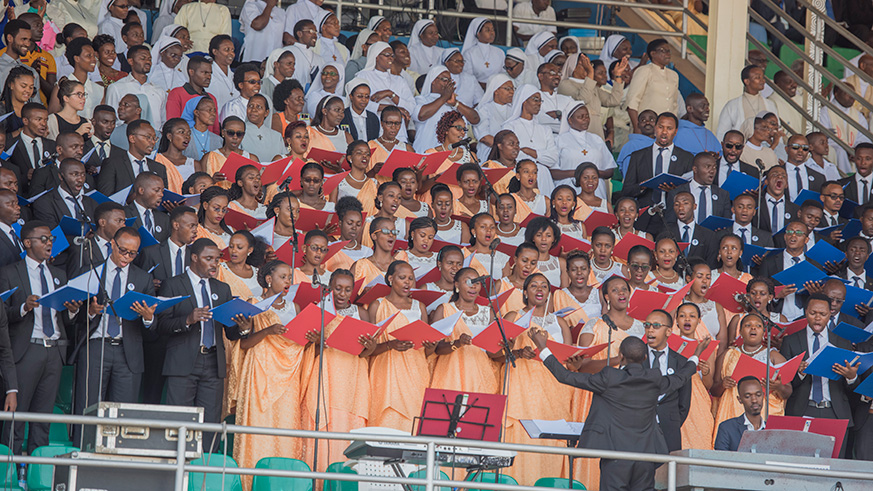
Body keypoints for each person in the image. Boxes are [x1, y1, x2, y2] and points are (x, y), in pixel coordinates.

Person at [533, 314, 708, 491]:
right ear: (645, 358)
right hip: (646, 458)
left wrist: (542, 347)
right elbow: (681, 377)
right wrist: (696, 355)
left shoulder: (609, 377)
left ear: (620, 355)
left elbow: (565, 376)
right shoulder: (654, 379)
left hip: (616, 457)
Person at [0, 220, 82, 454]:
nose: (49, 243)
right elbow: (2, 315)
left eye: (51, 239)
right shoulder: (9, 272)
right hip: (27, 350)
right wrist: (24, 308)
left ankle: (35, 475)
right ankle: (9, 476)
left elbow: (65, 319)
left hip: (54, 350)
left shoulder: (59, 274)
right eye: (43, 239)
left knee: (43, 418)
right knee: (16, 415)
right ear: (27, 243)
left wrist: (73, 309)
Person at [157, 238, 246, 452]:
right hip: (183, 362)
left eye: (217, 259)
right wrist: (188, 319)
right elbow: (161, 325)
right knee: (179, 419)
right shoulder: (173, 283)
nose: (214, 264)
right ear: (194, 258)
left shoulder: (222, 288)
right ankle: (175, 468)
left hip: (213, 362)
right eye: (209, 259)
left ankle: (206, 471)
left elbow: (231, 332)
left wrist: (243, 326)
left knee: (210, 421)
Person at [71, 227, 155, 442]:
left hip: (128, 352)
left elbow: (153, 325)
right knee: (87, 406)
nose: (126, 257)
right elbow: (71, 317)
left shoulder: (143, 278)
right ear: (112, 245)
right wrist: (89, 312)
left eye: (132, 253)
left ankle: (117, 461)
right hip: (96, 347)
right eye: (123, 251)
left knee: (123, 413)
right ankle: (82, 452)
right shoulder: (91, 271)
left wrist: (148, 317)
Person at [300, 268, 375, 472]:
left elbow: (366, 353)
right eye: (338, 289)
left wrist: (370, 346)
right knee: (323, 426)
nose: (342, 294)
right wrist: (316, 343)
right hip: (325, 375)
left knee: (348, 427)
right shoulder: (317, 309)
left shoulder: (361, 312)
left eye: (347, 289)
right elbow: (304, 349)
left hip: (352, 379)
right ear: (329, 288)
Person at [501, 273, 572, 485]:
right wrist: (518, 352)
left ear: (549, 292)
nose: (539, 289)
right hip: (522, 387)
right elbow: (493, 353)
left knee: (551, 442)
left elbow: (568, 359)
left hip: (555, 388)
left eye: (544, 286)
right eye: (533, 285)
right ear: (525, 292)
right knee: (523, 437)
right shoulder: (513, 316)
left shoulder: (560, 322)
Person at [780, 293, 859, 456]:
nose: (817, 318)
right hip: (802, 409)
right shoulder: (791, 341)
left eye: (822, 314)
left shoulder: (842, 343)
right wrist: (800, 373)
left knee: (833, 464)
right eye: (813, 313)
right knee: (799, 462)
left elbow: (852, 391)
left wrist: (851, 377)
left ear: (830, 314)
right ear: (805, 311)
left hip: (834, 412)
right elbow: (784, 384)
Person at [366, 260, 430, 430]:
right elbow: (368, 350)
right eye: (402, 277)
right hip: (386, 372)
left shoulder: (420, 307)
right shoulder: (377, 306)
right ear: (390, 279)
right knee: (387, 421)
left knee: (413, 421)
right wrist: (390, 345)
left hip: (416, 372)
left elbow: (428, 350)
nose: (407, 282)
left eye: (411, 278)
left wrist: (430, 343)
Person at [621, 112, 694, 234]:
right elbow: (626, 190)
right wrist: (642, 186)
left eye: (669, 128)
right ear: (655, 128)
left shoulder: (686, 157)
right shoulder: (638, 156)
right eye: (661, 127)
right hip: (645, 217)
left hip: (673, 217)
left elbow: (690, 192)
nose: (664, 132)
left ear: (675, 132)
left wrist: (674, 190)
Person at [429, 266, 497, 392]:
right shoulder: (444, 309)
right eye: (468, 282)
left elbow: (492, 351)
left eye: (477, 282)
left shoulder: (489, 313)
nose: (473, 286)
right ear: (457, 285)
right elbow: (436, 348)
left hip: (480, 376)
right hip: (451, 374)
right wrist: (458, 343)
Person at [557, 53, 627, 141]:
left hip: (596, 131)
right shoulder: (565, 84)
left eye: (589, 64)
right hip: (578, 135)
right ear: (573, 67)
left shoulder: (592, 86)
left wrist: (618, 75)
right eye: (583, 64)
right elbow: (582, 100)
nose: (588, 67)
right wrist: (590, 73)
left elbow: (613, 100)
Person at [413, 66, 479, 154]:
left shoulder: (455, 103)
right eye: (444, 80)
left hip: (455, 155)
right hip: (428, 152)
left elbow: (475, 119)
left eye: (450, 81)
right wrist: (444, 97)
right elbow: (421, 115)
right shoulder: (421, 100)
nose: (448, 83)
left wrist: (455, 103)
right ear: (433, 81)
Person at [554, 103, 615, 197]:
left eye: (587, 116)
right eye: (580, 117)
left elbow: (609, 170)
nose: (585, 119)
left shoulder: (596, 139)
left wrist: (591, 175)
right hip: (568, 191)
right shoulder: (559, 140)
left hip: (596, 191)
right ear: (570, 120)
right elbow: (553, 172)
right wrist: (579, 173)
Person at [505, 85, 557, 193]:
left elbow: (553, 158)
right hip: (519, 176)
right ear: (524, 101)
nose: (539, 103)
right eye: (535, 99)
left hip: (543, 176)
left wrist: (532, 152)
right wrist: (541, 156)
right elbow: (511, 155)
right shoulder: (510, 127)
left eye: (540, 100)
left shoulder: (545, 129)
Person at [96, 119, 168, 196]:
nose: (153, 142)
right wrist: (128, 201)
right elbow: (105, 197)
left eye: (154, 138)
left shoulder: (159, 168)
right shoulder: (113, 164)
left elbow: (163, 196)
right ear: (132, 138)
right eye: (148, 137)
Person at [105, 45, 168, 130]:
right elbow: (111, 119)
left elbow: (163, 122)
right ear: (131, 61)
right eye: (143, 58)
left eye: (149, 59)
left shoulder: (159, 90)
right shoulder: (116, 88)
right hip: (124, 138)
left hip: (153, 139)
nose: (148, 62)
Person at [626, 39, 680, 133]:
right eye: (663, 51)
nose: (668, 54)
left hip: (665, 130)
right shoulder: (645, 71)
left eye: (668, 51)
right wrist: (637, 127)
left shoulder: (674, 75)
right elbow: (632, 102)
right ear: (653, 53)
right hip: (646, 128)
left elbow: (674, 104)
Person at [666, 152, 731, 225]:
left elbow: (726, 224)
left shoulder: (723, 194)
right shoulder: (676, 193)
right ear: (695, 169)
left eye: (714, 167)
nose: (712, 171)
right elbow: (670, 224)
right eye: (708, 166)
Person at [716, 65, 779, 140]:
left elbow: (777, 130)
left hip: (766, 149)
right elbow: (721, 133)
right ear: (747, 81)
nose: (763, 81)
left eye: (762, 77)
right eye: (757, 77)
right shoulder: (732, 105)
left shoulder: (770, 104)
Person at [32, 157, 97, 229]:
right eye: (75, 174)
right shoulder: (44, 203)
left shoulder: (92, 203)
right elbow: (53, 234)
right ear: (61, 176)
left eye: (83, 175)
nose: (80, 180)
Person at [49, 37, 103, 119]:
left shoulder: (99, 89)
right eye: (89, 56)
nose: (93, 60)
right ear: (77, 58)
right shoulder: (61, 87)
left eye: (94, 56)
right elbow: (52, 117)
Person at [9, 102, 56, 195]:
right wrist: (25, 177)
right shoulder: (10, 145)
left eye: (45, 120)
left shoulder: (52, 145)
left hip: (48, 200)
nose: (43, 124)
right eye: (38, 119)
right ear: (25, 121)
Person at [714, 376, 766, 451]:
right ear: (740, 400)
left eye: (758, 395)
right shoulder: (726, 428)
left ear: (763, 396)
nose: (754, 400)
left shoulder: (772, 430)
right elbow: (719, 460)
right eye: (748, 396)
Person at [473, 74, 514, 160]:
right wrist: (506, 149)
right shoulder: (483, 109)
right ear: (496, 90)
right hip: (488, 156)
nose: (512, 92)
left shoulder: (513, 110)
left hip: (511, 156)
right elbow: (484, 137)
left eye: (513, 89)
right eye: (507, 89)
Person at [0, 20, 40, 100]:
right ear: (10, 38)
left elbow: (35, 103)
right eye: (23, 39)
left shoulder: (31, 71)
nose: (28, 44)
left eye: (29, 40)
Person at [241, 94, 284, 160]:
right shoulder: (239, 132)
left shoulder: (277, 136)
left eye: (259, 107)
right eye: (250, 106)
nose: (253, 110)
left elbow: (283, 160)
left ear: (266, 112)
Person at [461, 18, 503, 85]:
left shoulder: (499, 52)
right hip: (475, 90)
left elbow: (503, 74)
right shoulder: (469, 53)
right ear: (478, 34)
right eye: (487, 30)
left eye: (493, 29)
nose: (492, 33)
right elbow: (468, 77)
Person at [784, 134, 826, 200]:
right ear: (786, 149)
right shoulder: (774, 174)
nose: (800, 150)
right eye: (795, 146)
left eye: (805, 148)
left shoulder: (819, 178)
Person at [616, 110, 656, 177]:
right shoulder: (631, 146)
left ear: (658, 124)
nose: (647, 122)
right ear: (638, 125)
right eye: (643, 120)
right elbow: (627, 173)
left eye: (651, 120)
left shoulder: (660, 144)